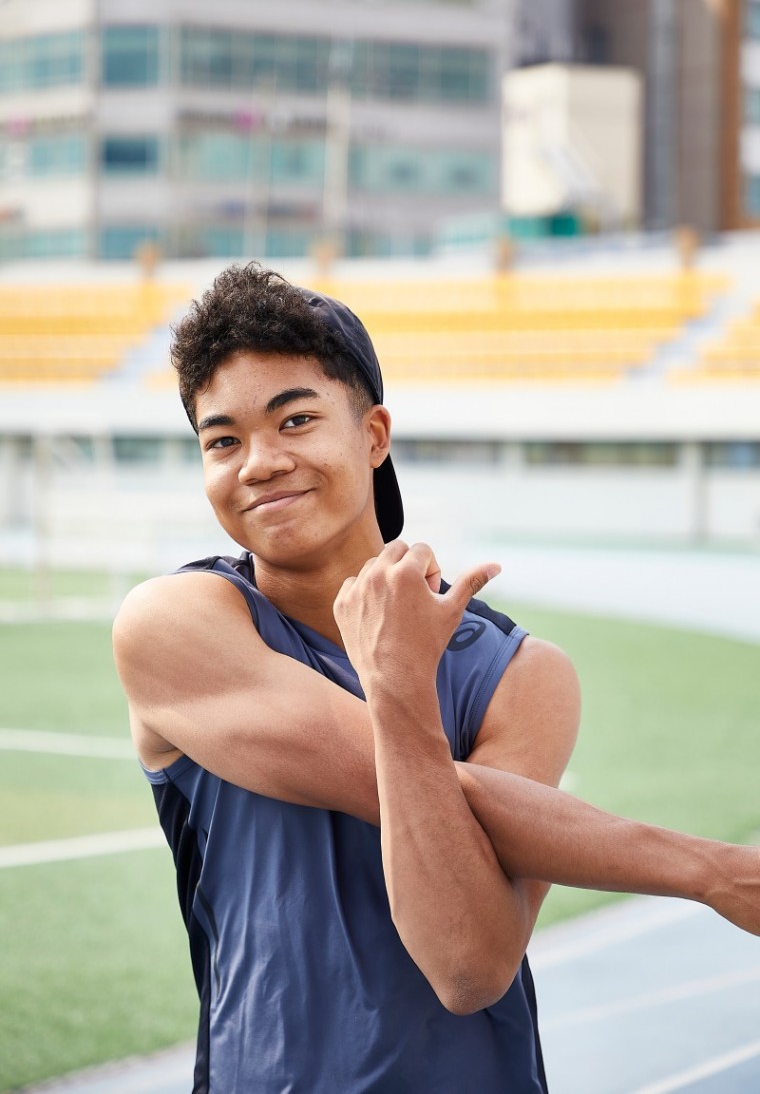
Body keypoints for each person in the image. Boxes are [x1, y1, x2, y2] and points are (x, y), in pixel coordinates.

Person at [112, 262, 760, 1094]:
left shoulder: (523, 673)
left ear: (373, 435)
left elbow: (469, 963)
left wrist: (399, 682)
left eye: (296, 419)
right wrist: (713, 870)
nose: (259, 462)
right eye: (223, 440)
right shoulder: (175, 625)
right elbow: (392, 778)